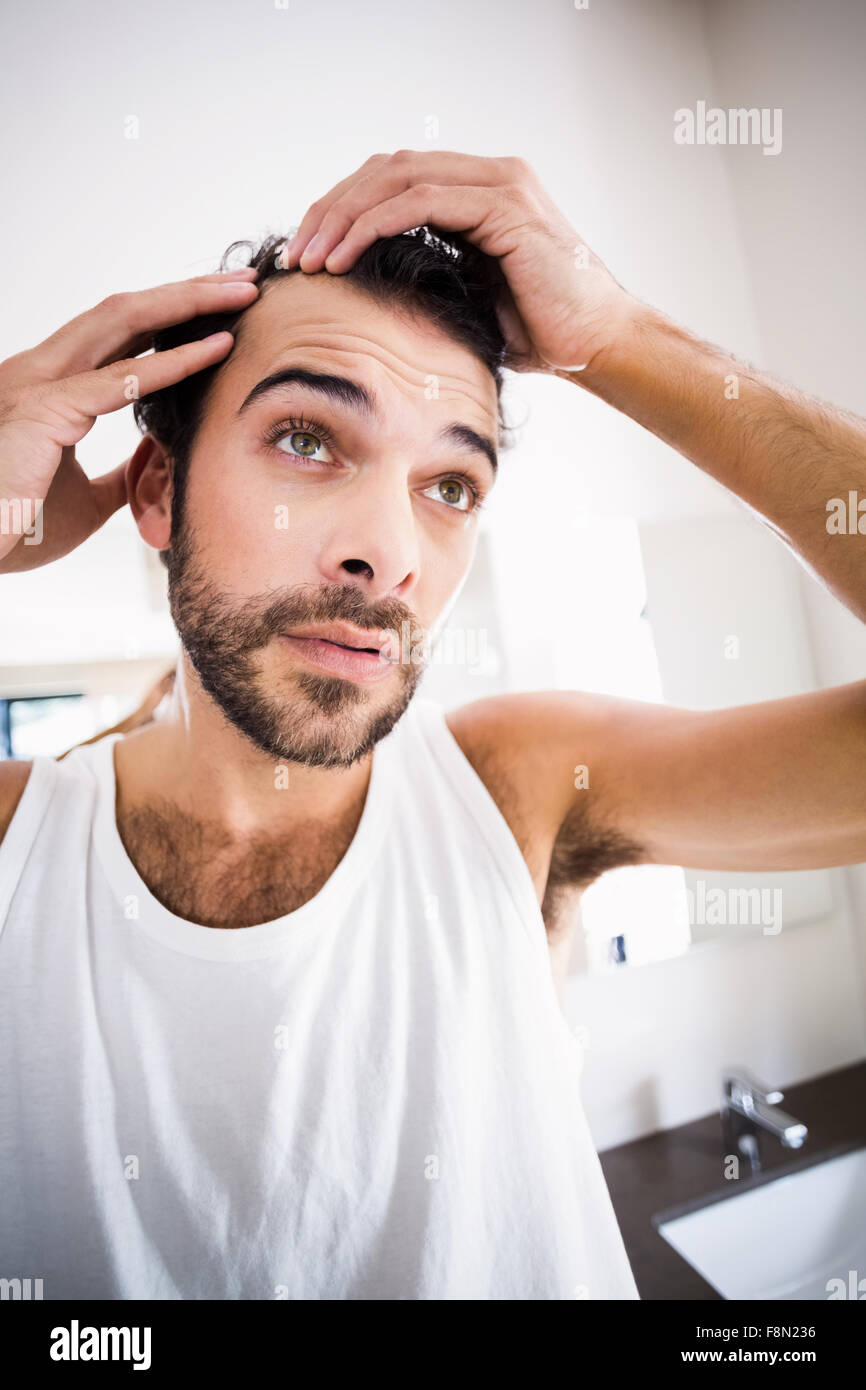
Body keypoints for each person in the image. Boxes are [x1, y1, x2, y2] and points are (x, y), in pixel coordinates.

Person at [0, 150, 864, 1301]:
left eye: (449, 486)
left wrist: (617, 337)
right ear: (154, 490)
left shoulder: (520, 792)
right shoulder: (20, 844)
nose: (391, 557)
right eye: (308, 438)